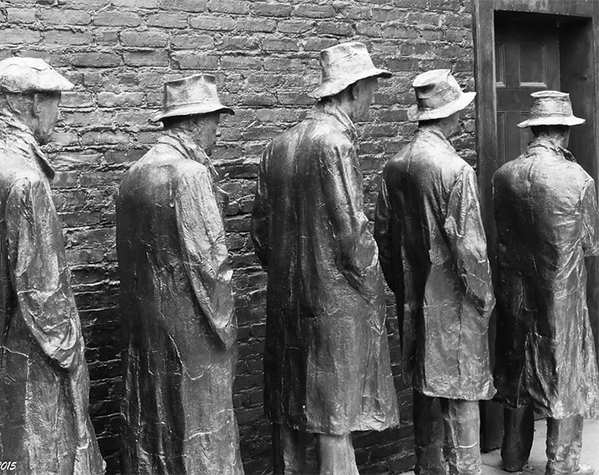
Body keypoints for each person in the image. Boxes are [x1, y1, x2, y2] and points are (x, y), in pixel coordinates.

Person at [251, 41, 399, 475]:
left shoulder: (277, 146)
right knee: (333, 415)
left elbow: (260, 233)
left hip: (288, 302)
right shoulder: (335, 144)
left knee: (290, 409)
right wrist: (374, 287)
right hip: (336, 306)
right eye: (371, 87)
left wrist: (288, 276)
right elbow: (352, 234)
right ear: (352, 90)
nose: (374, 96)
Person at [0, 57, 105, 475]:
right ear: (35, 104)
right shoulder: (25, 180)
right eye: (56, 101)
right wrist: (72, 359)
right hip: (29, 364)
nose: (58, 114)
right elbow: (44, 296)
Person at [117, 74, 244, 475]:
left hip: (148, 331)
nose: (216, 133)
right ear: (195, 123)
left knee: (158, 425)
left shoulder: (134, 174)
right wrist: (227, 330)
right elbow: (211, 265)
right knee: (201, 432)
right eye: (214, 122)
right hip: (194, 334)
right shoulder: (189, 174)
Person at [374, 69, 495, 475]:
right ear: (449, 116)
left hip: (415, 300)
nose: (462, 118)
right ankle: (465, 468)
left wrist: (405, 288)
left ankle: (428, 466)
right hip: (454, 302)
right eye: (459, 111)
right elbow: (471, 248)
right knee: (462, 392)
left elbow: (383, 238)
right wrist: (484, 299)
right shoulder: (455, 170)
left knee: (425, 388)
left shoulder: (394, 167)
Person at [492, 90, 599, 475]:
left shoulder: (503, 176)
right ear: (563, 133)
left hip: (513, 290)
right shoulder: (577, 178)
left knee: (515, 367)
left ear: (533, 130)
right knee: (563, 370)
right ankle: (562, 461)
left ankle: (513, 455)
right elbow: (591, 242)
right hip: (560, 293)